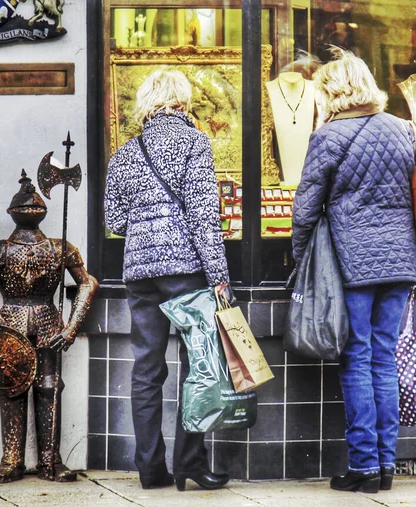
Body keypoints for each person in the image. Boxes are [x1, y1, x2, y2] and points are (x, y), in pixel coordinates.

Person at [291, 50, 416, 493]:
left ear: (333, 91)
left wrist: (301, 263)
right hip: (400, 265)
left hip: (350, 267)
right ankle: (387, 466)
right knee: (383, 359)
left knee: (356, 360)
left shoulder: (328, 137)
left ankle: (363, 468)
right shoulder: (406, 131)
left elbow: (304, 210)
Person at [104, 69, 230, 492]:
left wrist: (147, 228)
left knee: (146, 370)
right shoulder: (194, 142)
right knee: (199, 368)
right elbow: (203, 216)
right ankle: (190, 463)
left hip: (140, 274)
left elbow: (114, 220)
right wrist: (219, 276)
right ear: (182, 100)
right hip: (186, 272)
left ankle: (150, 469)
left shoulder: (124, 153)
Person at [0, 171, 99, 483]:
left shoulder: (60, 247)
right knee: (12, 386)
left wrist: (72, 327)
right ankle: (12, 459)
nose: (27, 210)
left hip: (48, 321)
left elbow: (88, 284)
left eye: (31, 206)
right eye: (23, 207)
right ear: (12, 213)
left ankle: (51, 459)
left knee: (49, 386)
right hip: (9, 322)